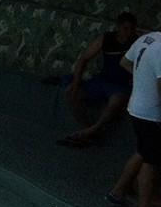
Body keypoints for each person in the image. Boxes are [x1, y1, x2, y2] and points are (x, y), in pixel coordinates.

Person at [106, 20, 161, 207]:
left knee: (143, 151)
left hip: (137, 107)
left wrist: (143, 77)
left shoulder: (146, 39)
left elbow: (125, 62)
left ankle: (118, 192)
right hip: (153, 113)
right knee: (152, 159)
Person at [60, 12, 140, 147]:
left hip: (121, 85)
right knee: (71, 93)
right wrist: (76, 83)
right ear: (118, 27)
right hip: (102, 80)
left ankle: (92, 130)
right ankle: (86, 129)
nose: (128, 32)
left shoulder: (137, 43)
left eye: (132, 29)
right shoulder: (107, 38)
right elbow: (84, 59)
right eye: (125, 28)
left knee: (116, 101)